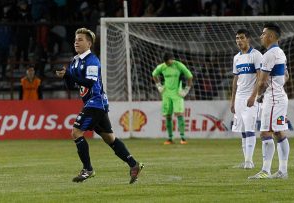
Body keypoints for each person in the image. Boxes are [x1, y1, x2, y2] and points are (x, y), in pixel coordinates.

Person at [55, 27, 143, 183]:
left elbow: (89, 82)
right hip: (93, 104)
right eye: (75, 39)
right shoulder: (75, 61)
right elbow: (70, 85)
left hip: (96, 102)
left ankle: (87, 169)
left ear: (89, 43)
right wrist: (65, 75)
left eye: (80, 39)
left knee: (76, 132)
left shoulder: (92, 61)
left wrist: (70, 75)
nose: (76, 42)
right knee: (109, 138)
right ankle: (134, 164)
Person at [248, 23, 290, 179]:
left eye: (263, 33)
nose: (261, 36)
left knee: (266, 132)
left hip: (272, 100)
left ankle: (265, 171)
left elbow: (262, 81)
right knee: (279, 133)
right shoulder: (281, 53)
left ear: (271, 36)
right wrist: (277, 86)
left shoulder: (269, 55)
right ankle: (282, 171)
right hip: (279, 98)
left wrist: (254, 97)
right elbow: (286, 76)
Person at [230, 29, 262, 169]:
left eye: (241, 38)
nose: (239, 40)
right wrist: (232, 100)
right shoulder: (236, 57)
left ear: (248, 39)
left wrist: (254, 96)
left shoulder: (256, 55)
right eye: (237, 38)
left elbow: (260, 78)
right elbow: (235, 79)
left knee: (250, 128)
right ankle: (246, 160)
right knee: (243, 130)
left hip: (251, 97)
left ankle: (249, 161)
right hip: (239, 98)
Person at [152, 53, 193, 145]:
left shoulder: (179, 65)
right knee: (167, 115)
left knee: (179, 114)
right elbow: (154, 75)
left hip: (177, 93)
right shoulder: (162, 67)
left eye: (168, 62)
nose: (167, 64)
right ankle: (170, 138)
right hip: (166, 94)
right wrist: (159, 86)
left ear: (172, 60)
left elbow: (190, 76)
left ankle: (183, 138)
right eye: (166, 63)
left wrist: (186, 89)